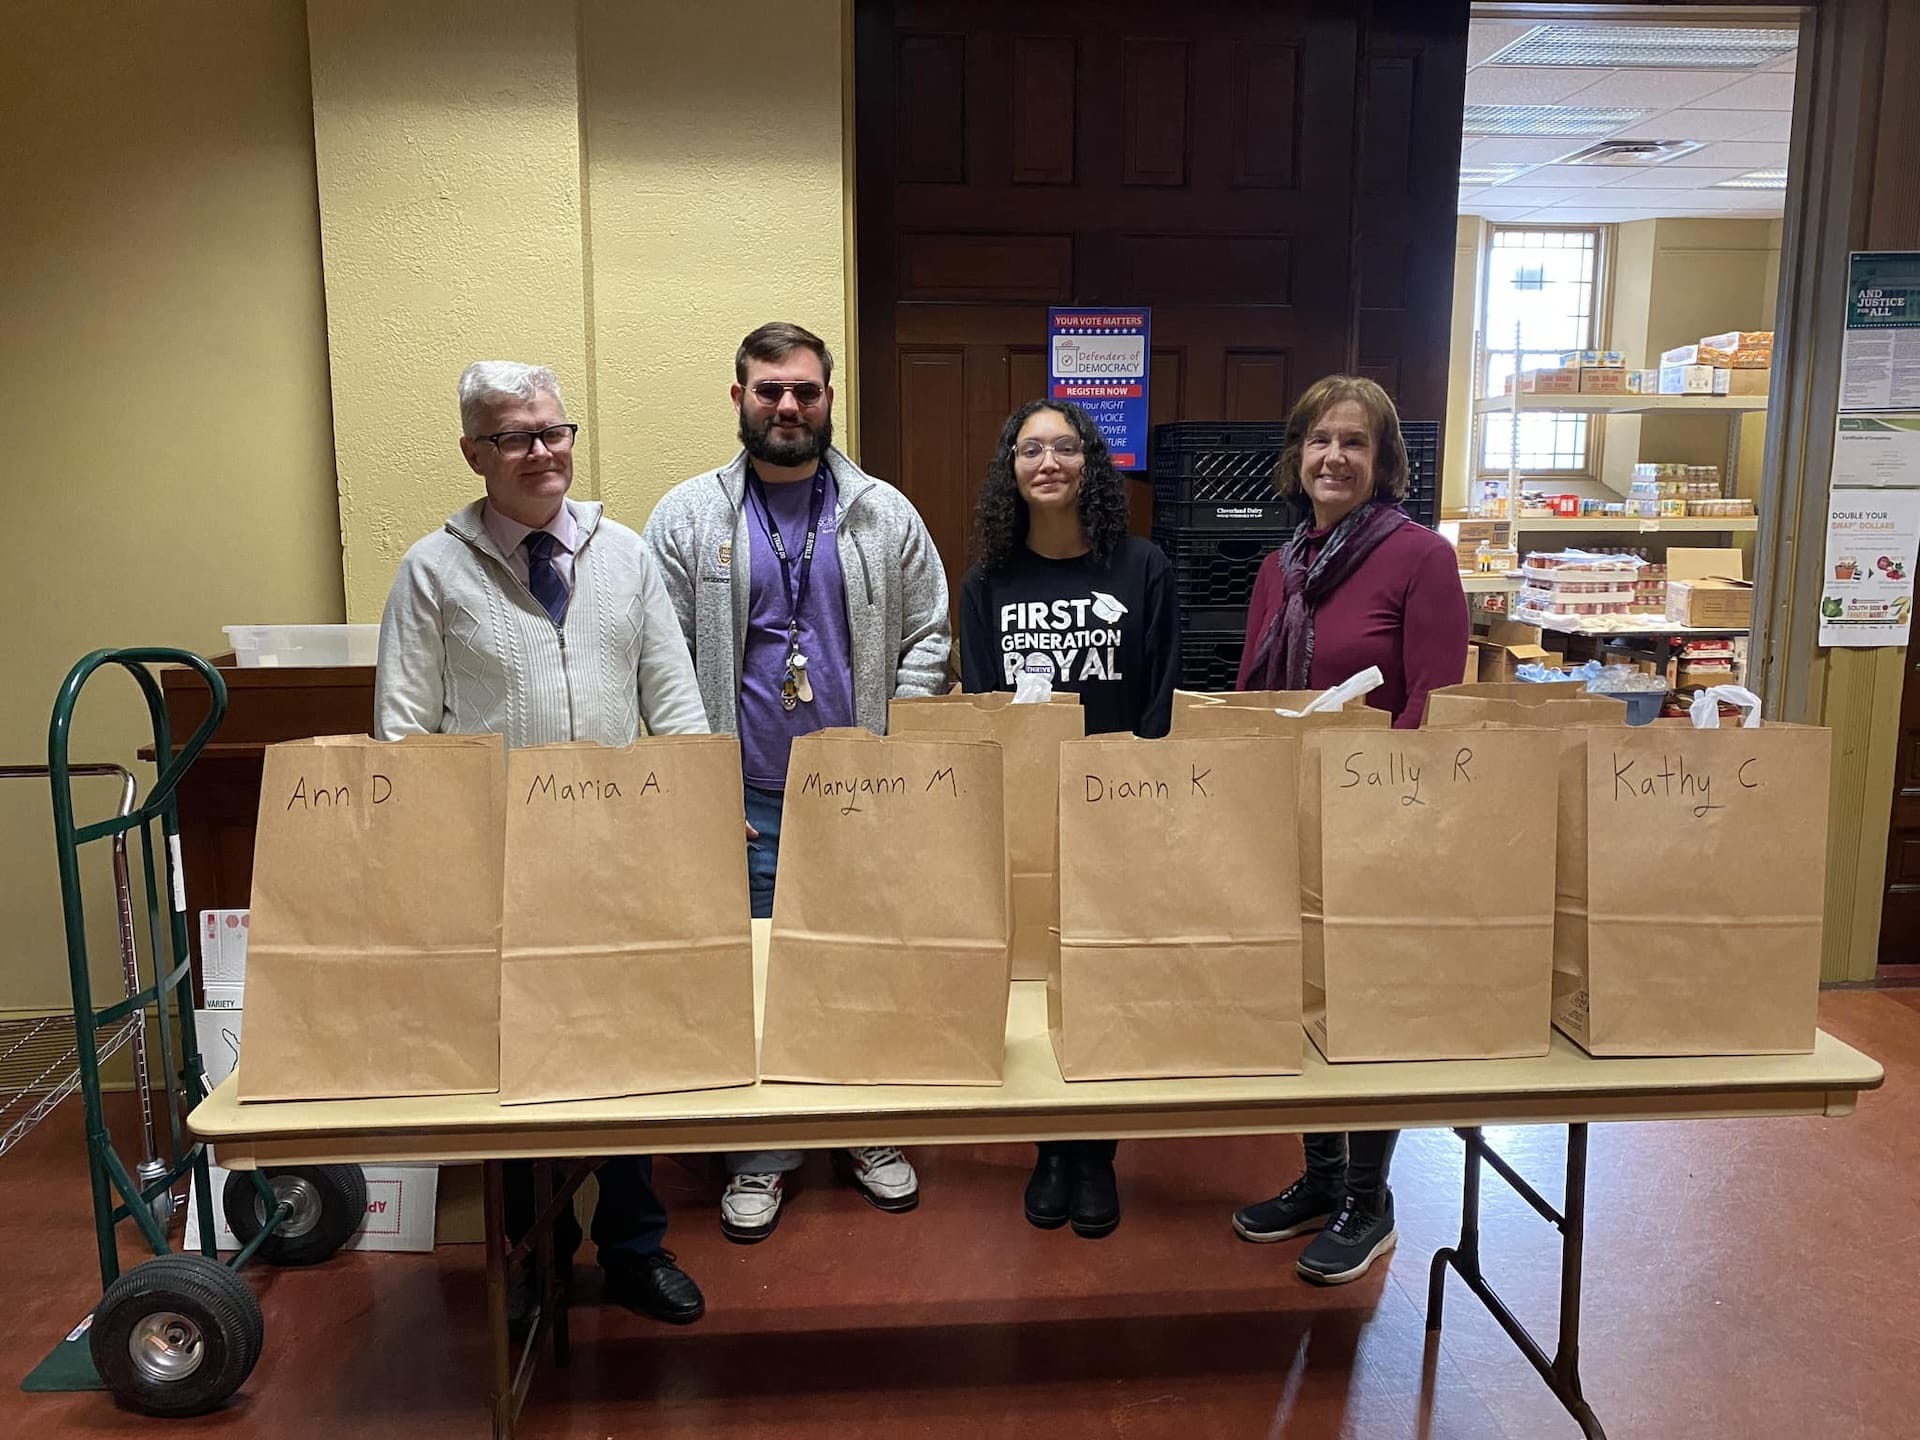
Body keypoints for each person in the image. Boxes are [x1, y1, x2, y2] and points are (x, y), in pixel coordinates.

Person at [375, 360, 708, 1326]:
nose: (541, 452)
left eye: (553, 431)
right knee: (521, 1073)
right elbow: (404, 733)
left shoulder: (626, 554)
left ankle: (635, 1246)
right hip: (502, 867)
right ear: (474, 452)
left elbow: (674, 698)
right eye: (516, 437)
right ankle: (533, 1254)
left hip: (622, 856)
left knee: (632, 1056)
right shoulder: (432, 571)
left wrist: (692, 800)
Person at [643, 321, 952, 1244]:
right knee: (755, 977)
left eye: (806, 391)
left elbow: (930, 632)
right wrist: (700, 782)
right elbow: (654, 659)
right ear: (737, 397)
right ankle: (763, 1147)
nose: (789, 406)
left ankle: (864, 1129)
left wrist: (889, 748)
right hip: (741, 794)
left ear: (828, 401)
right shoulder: (687, 517)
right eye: (770, 389)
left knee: (859, 963)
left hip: (860, 792)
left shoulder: (883, 513)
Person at [1231, 374, 1468, 1285]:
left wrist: (1379, 809)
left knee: (1370, 1009)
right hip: (1285, 817)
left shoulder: (1419, 558)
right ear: (1298, 456)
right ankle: (1321, 1178)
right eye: (1320, 440)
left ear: (1384, 463)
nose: (1335, 457)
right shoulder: (1281, 564)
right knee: (1305, 999)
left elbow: (1436, 705)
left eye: (1355, 443)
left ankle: (1370, 1202)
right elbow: (1259, 696)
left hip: (1382, 823)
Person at [957, 397, 1179, 1240]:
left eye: (1065, 447)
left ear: (1092, 462)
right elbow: (985, 706)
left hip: (1119, 809)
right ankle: (1050, 1147)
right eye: (1028, 448)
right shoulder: (987, 583)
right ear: (1009, 468)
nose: (1047, 462)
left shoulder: (1144, 568)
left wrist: (1137, 801)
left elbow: (1161, 697)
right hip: (1026, 815)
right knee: (1031, 982)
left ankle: (1097, 1152)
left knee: (1106, 980)